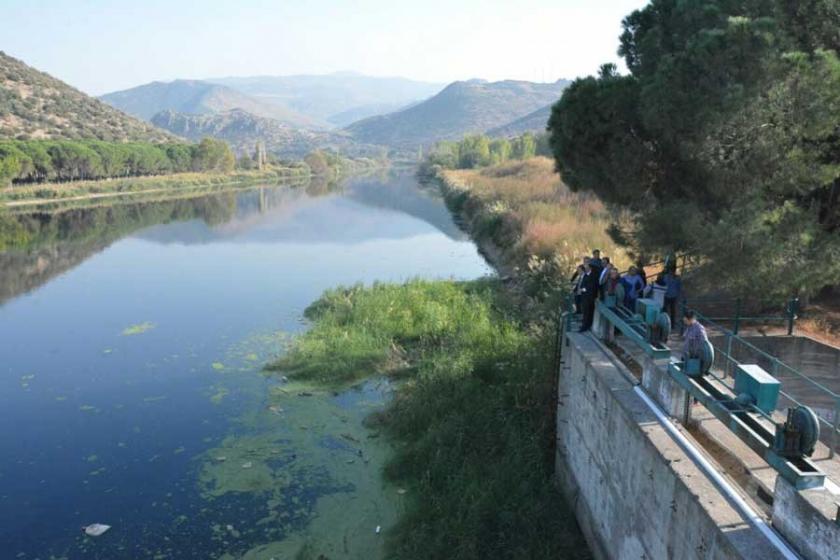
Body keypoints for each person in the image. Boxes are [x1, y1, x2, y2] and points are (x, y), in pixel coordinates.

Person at [578, 261, 599, 332]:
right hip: (584, 297)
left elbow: (592, 286)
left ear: (590, 268)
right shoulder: (586, 275)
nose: (585, 269)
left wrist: (583, 289)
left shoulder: (593, 276)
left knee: (588, 312)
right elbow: (583, 284)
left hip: (590, 297)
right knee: (585, 312)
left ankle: (585, 326)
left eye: (586, 268)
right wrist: (581, 288)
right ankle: (584, 325)